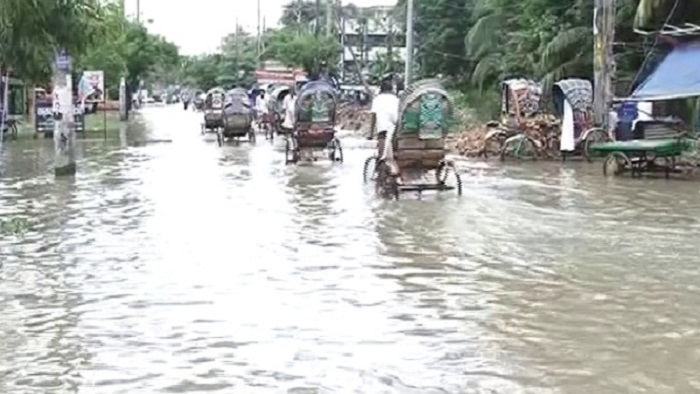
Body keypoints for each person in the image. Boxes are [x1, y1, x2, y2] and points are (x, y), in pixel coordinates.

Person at [371, 79, 400, 166]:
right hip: (396, 129)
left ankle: (380, 168)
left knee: (381, 154)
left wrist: (370, 133)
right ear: (391, 90)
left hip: (383, 129)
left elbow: (373, 117)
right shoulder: (396, 99)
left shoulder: (377, 99)